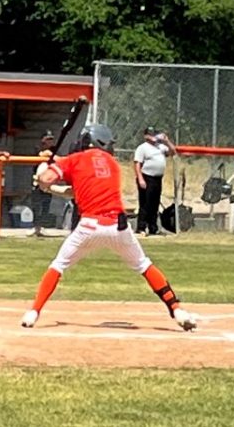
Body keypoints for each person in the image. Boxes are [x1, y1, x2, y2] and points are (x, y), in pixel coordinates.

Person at [20, 124, 197, 332]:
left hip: (88, 226)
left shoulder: (75, 159)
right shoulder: (112, 164)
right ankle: (176, 309)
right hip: (118, 225)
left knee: (58, 265)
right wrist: (52, 185)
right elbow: (80, 190)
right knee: (144, 265)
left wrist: (43, 176)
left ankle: (34, 312)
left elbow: (48, 179)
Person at [133, 126, 176, 236]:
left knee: (155, 203)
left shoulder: (160, 147)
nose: (154, 137)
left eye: (154, 134)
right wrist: (140, 179)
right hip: (147, 177)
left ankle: (153, 227)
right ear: (146, 136)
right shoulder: (142, 148)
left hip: (157, 178)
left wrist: (167, 141)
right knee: (145, 203)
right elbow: (137, 164)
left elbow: (173, 152)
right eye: (151, 134)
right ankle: (141, 227)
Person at [31, 130, 56, 236]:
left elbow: (54, 157)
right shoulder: (37, 148)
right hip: (37, 180)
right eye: (47, 139)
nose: (50, 142)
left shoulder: (54, 150)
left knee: (46, 204)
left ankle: (42, 226)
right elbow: (37, 157)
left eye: (51, 139)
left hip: (48, 180)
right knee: (36, 204)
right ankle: (36, 226)